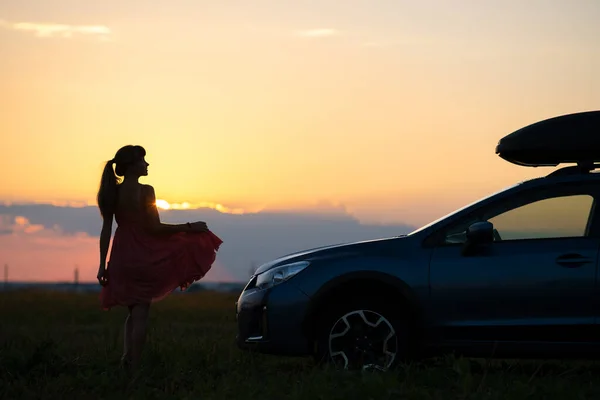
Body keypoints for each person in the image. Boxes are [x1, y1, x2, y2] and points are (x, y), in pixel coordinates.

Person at [96, 145, 223, 373]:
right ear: (133, 166)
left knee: (133, 310)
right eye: (143, 161)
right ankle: (134, 367)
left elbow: (106, 230)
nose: (147, 164)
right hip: (143, 253)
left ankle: (126, 361)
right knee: (141, 312)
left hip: (121, 255)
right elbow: (154, 228)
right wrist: (190, 228)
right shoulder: (146, 191)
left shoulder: (112, 192)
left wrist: (101, 265)